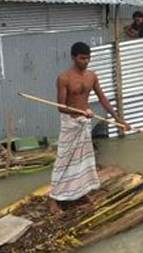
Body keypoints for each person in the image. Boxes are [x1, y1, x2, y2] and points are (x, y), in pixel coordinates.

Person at [49, 42, 131, 214]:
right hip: (70, 123)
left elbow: (102, 99)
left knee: (84, 161)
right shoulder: (64, 78)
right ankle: (53, 199)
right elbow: (61, 107)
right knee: (63, 160)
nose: (85, 61)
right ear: (73, 58)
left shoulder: (92, 76)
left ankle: (80, 193)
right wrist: (81, 112)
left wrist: (118, 119)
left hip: (84, 123)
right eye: (81, 58)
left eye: (88, 58)